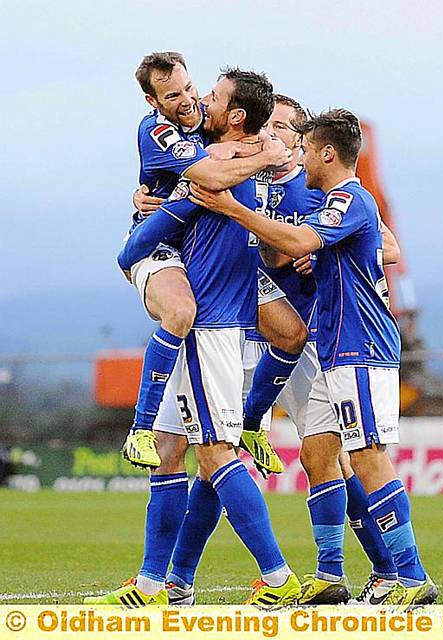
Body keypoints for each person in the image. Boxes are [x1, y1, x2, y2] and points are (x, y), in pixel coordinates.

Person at [189, 108, 437, 606]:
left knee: (367, 456)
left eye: (302, 142)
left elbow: (324, 240)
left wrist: (234, 213)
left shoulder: (349, 197)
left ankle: (409, 577)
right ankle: (331, 572)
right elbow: (300, 245)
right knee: (321, 453)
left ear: (325, 151)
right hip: (335, 346)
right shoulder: (332, 202)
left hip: (359, 344)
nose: (296, 151)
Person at [85, 68, 301, 608]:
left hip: (209, 332)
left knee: (215, 453)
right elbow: (189, 185)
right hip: (207, 332)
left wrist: (133, 246)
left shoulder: (224, 170)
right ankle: (156, 584)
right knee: (168, 451)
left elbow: (197, 189)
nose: (199, 99)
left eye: (211, 95)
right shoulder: (220, 157)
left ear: (234, 117)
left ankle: (279, 578)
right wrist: (149, 201)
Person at [121, 51, 307, 475]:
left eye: (194, 88)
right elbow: (211, 177)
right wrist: (263, 156)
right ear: (154, 102)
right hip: (169, 249)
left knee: (292, 333)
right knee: (197, 452)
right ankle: (140, 428)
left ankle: (252, 423)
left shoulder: (220, 130)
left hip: (229, 267)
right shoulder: (161, 131)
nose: (193, 100)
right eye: (176, 95)